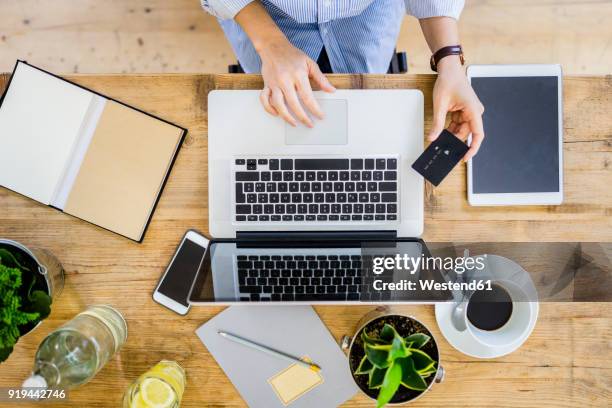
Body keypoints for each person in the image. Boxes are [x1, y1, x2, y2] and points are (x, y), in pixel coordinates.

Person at [201, 0, 484, 161]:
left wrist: (449, 59)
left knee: (368, 91)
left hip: (369, 10)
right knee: (272, 104)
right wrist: (269, 43)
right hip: (261, 10)